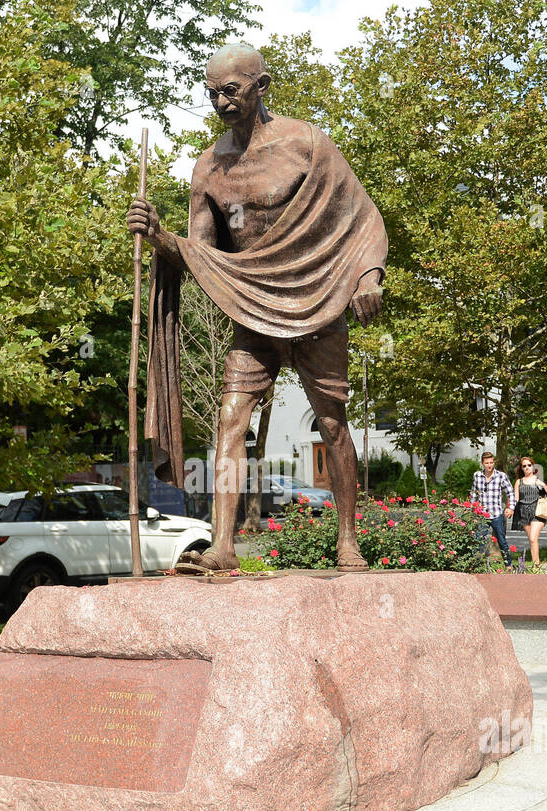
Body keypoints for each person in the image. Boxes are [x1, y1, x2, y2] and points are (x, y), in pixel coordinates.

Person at [128, 42, 386, 572]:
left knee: (333, 423)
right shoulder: (209, 168)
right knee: (230, 419)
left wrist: (368, 276)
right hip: (252, 312)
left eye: (232, 90)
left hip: (317, 303)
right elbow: (201, 252)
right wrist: (160, 237)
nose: (221, 101)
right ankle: (223, 546)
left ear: (261, 86)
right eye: (211, 92)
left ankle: (347, 542)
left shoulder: (307, 144)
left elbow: (364, 219)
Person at [470, 451, 515, 562]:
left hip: (496, 514)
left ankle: (508, 565)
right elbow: (474, 493)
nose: (489, 465)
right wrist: (472, 509)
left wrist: (511, 507)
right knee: (479, 541)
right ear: (482, 463)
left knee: (502, 541)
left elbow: (511, 492)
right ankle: (477, 566)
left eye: (491, 462)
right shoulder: (477, 475)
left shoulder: (500, 476)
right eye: (487, 463)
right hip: (481, 515)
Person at [512, 455, 547, 567]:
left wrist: (543, 485)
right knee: (531, 540)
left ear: (533, 466)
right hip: (523, 512)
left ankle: (536, 565)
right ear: (521, 468)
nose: (527, 467)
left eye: (529, 465)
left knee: (533, 537)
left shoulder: (538, 480)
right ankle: (536, 565)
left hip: (537, 511)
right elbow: (515, 499)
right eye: (524, 466)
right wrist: (510, 509)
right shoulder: (518, 482)